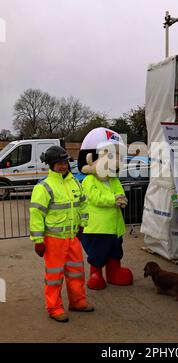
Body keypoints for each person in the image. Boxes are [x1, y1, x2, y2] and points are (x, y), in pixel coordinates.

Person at [29, 146, 94, 322]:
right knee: (54, 277)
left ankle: (78, 302)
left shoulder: (75, 182)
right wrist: (38, 240)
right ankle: (54, 308)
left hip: (73, 237)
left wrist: (83, 224)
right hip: (54, 240)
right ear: (50, 165)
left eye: (64, 162)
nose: (62, 166)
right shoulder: (44, 187)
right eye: (58, 163)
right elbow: (36, 214)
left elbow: (83, 204)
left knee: (76, 273)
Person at [77, 127, 133, 290]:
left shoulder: (114, 180)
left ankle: (114, 271)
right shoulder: (88, 181)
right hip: (97, 228)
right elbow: (96, 198)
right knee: (98, 253)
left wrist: (122, 199)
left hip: (115, 227)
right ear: (90, 158)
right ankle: (96, 274)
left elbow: (120, 192)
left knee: (115, 250)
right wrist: (114, 200)